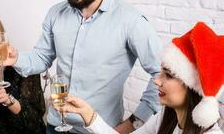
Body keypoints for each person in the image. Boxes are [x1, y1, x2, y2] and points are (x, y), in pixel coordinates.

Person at [0, 0, 162, 133]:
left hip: (99, 130)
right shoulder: (56, 13)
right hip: (55, 126)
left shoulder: (131, 21)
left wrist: (134, 123)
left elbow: (160, 73)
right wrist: (16, 58)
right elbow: (42, 57)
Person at [53, 22, 224, 134]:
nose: (157, 80)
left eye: (169, 75)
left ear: (194, 87)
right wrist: (88, 113)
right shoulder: (165, 117)